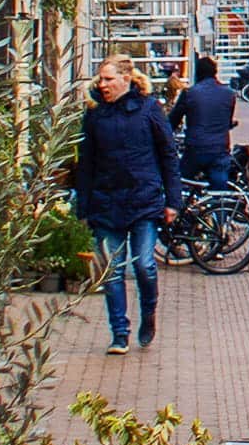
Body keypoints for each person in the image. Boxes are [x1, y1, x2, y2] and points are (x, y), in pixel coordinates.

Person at [69, 57, 178, 355]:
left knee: (144, 264)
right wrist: (84, 205)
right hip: (107, 203)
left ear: (126, 79)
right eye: (100, 80)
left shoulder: (149, 109)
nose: (101, 85)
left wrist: (173, 200)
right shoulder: (95, 116)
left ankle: (149, 313)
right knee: (111, 271)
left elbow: (168, 154)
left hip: (144, 200)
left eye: (107, 79)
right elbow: (86, 162)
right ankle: (119, 333)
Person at [172, 54, 240, 191]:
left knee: (179, 180)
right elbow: (227, 121)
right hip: (220, 148)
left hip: (196, 147)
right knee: (219, 189)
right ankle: (220, 210)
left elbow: (173, 119)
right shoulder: (229, 94)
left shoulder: (190, 93)